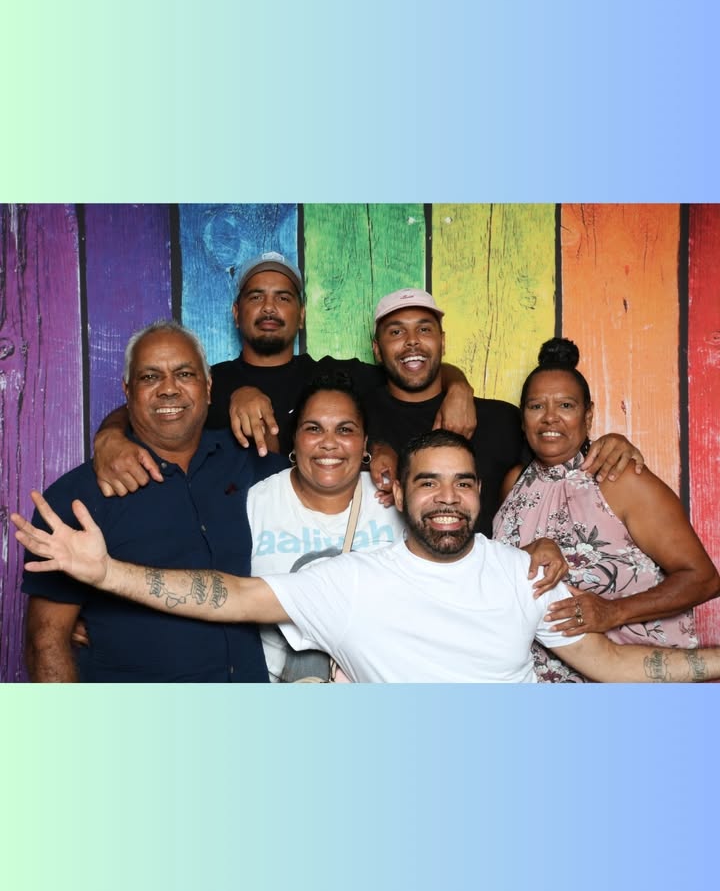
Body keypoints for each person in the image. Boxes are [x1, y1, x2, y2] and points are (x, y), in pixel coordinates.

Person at [12, 430, 719, 683]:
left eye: (463, 482)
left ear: (480, 495)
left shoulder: (523, 574)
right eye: (429, 482)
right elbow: (230, 596)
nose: (448, 498)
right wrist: (104, 573)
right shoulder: (351, 584)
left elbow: (617, 665)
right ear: (398, 494)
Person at [22, 320, 285, 682]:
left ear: (208, 387)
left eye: (184, 374)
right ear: (127, 391)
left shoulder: (254, 468)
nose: (169, 389)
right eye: (150, 377)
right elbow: (46, 642)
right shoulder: (78, 497)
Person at [92, 253, 477, 496]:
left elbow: (407, 366)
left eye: (283, 297)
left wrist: (458, 385)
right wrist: (109, 436)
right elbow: (146, 402)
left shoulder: (333, 375)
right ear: (236, 313)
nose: (269, 307)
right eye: (256, 297)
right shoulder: (207, 382)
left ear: (301, 314)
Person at [492, 337, 720, 682]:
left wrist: (613, 612)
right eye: (536, 406)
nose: (550, 417)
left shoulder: (619, 478)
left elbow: (703, 579)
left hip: (629, 680)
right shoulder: (514, 483)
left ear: (588, 415)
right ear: (523, 419)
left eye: (565, 405)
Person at [365, 288, 645, 536]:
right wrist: (375, 446)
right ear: (377, 350)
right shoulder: (359, 407)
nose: (412, 341)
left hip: (490, 570)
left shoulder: (500, 419)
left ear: (443, 341)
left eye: (425, 329)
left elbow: (562, 460)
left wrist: (610, 445)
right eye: (396, 332)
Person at [248, 375, 405, 681]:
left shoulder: (395, 500)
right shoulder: (256, 502)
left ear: (365, 443)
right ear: (295, 439)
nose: (329, 443)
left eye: (345, 430)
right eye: (313, 429)